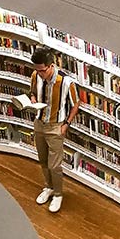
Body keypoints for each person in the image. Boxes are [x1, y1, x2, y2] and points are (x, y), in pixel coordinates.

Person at [30, 47, 80, 213]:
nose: (40, 74)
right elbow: (32, 92)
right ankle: (48, 187)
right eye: (37, 70)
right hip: (39, 123)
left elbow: (76, 104)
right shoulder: (35, 75)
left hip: (55, 127)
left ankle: (58, 194)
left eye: (42, 70)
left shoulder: (66, 82)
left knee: (55, 166)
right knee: (43, 160)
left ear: (51, 66)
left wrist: (66, 124)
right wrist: (32, 100)